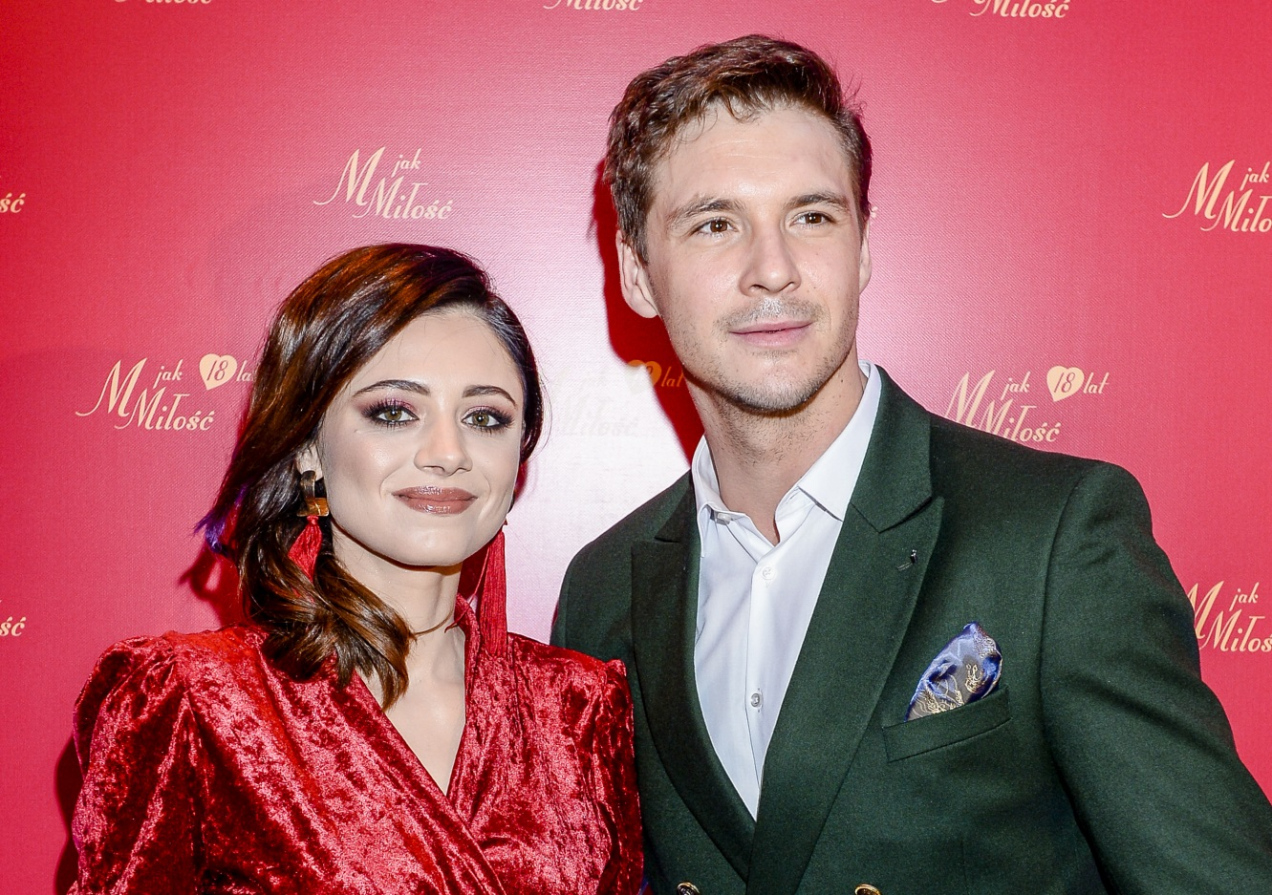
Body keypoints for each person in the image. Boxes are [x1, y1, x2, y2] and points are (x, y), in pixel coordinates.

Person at [552, 35, 1272, 895]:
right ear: (638, 272)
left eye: (812, 217)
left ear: (862, 248)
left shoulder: (1053, 539)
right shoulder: (603, 590)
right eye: (715, 224)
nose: (773, 270)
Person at [71, 244, 642, 894]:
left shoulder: (580, 708)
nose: (448, 452)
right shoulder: (193, 701)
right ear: (308, 447)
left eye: (484, 417)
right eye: (394, 412)